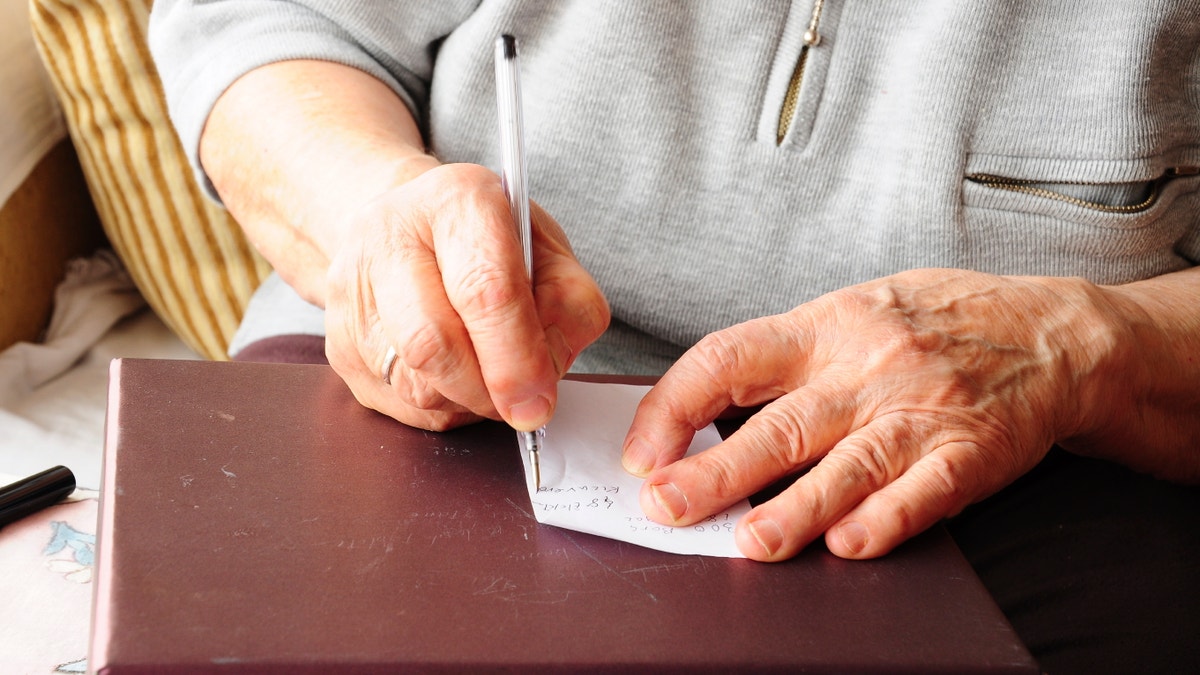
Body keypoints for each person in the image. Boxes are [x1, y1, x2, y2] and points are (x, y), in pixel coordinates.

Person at [149, 2, 1199, 671]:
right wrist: (373, 209)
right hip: (427, 391)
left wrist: (1084, 342)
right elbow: (260, 27)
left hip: (1009, 462)